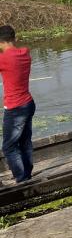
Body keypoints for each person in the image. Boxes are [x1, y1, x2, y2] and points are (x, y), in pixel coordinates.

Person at [0, 25, 36, 184]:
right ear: (14, 38)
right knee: (25, 142)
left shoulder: (5, 59)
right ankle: (27, 173)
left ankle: (22, 179)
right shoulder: (25, 54)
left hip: (15, 108)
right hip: (28, 103)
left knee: (8, 147)